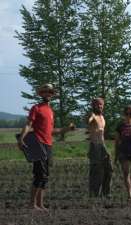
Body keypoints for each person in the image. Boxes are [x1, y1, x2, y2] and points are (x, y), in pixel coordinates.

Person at [18, 83, 75, 212]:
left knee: (45, 177)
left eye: (50, 92)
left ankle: (40, 204)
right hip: (38, 144)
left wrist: (67, 129)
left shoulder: (50, 111)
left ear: (52, 95)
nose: (47, 94)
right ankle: (32, 205)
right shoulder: (36, 108)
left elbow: (52, 131)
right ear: (41, 94)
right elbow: (29, 124)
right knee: (39, 175)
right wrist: (22, 138)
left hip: (48, 145)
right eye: (45, 92)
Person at [87, 98, 113, 198]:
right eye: (97, 105)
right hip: (94, 146)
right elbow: (89, 120)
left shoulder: (102, 117)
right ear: (93, 106)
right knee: (96, 171)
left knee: (109, 169)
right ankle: (94, 194)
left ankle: (106, 193)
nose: (100, 106)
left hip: (102, 145)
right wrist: (89, 119)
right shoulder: (93, 116)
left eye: (101, 105)